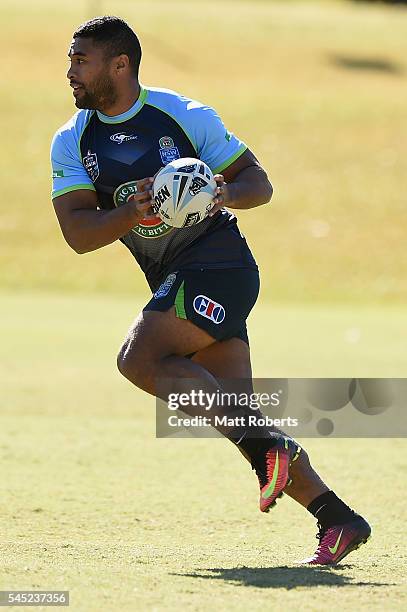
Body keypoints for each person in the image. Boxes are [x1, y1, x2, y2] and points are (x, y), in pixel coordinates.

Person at [50, 16, 371, 564]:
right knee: (242, 420)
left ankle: (274, 450)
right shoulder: (72, 140)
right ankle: (337, 517)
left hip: (219, 266)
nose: (70, 71)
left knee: (140, 359)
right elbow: (79, 234)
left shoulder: (183, 115)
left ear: (120, 64)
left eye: (81, 60)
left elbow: (258, 185)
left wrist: (217, 189)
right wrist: (134, 210)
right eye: (71, 61)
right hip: (175, 278)